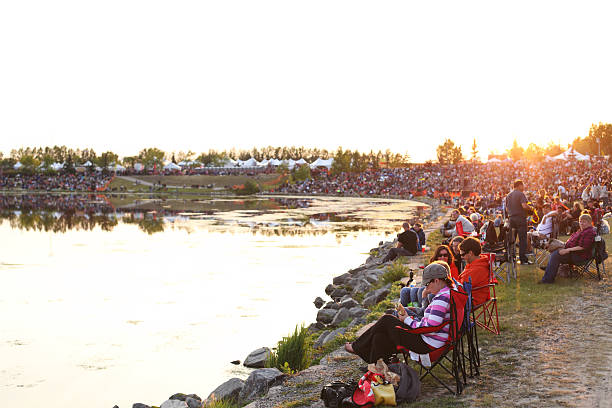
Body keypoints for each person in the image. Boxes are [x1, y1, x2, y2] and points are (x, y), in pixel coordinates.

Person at [344, 262, 453, 363]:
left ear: (437, 281)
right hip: (429, 339)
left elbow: (430, 327)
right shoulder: (447, 293)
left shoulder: (441, 299)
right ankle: (376, 368)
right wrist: (409, 319)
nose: (426, 288)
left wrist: (407, 320)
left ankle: (357, 347)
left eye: (427, 284)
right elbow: (431, 325)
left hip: (427, 344)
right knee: (379, 336)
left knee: (387, 320)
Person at [539, 213, 597, 284]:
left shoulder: (589, 232)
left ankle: (547, 280)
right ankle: (550, 268)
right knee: (554, 249)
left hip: (579, 256)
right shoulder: (582, 230)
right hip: (573, 252)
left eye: (584, 222)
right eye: (580, 221)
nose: (581, 223)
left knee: (555, 255)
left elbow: (582, 247)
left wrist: (567, 250)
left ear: (589, 222)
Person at [457, 237, 491, 306]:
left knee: (434, 296)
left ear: (470, 253)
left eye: (463, 254)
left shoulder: (478, 269)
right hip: (467, 297)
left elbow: (460, 286)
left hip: (470, 301)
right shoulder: (477, 264)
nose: (461, 257)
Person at [505, 180, 532, 264]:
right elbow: (524, 205)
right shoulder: (520, 194)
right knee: (522, 239)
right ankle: (523, 259)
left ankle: (511, 257)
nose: (523, 188)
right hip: (520, 218)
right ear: (519, 185)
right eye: (523, 185)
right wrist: (531, 208)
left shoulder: (508, 195)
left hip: (511, 218)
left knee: (512, 240)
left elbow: (506, 209)